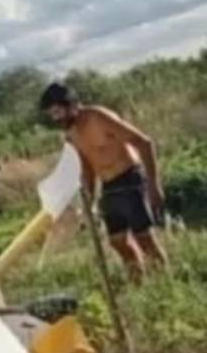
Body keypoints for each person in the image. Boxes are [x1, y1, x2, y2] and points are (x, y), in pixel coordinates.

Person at [39, 82, 167, 280]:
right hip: (109, 187)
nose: (56, 118)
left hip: (130, 178)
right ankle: (139, 283)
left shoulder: (98, 117)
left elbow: (144, 142)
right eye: (51, 114)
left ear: (71, 105)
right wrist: (88, 204)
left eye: (57, 111)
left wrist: (153, 185)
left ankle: (166, 282)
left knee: (144, 238)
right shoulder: (71, 135)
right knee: (117, 242)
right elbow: (88, 169)